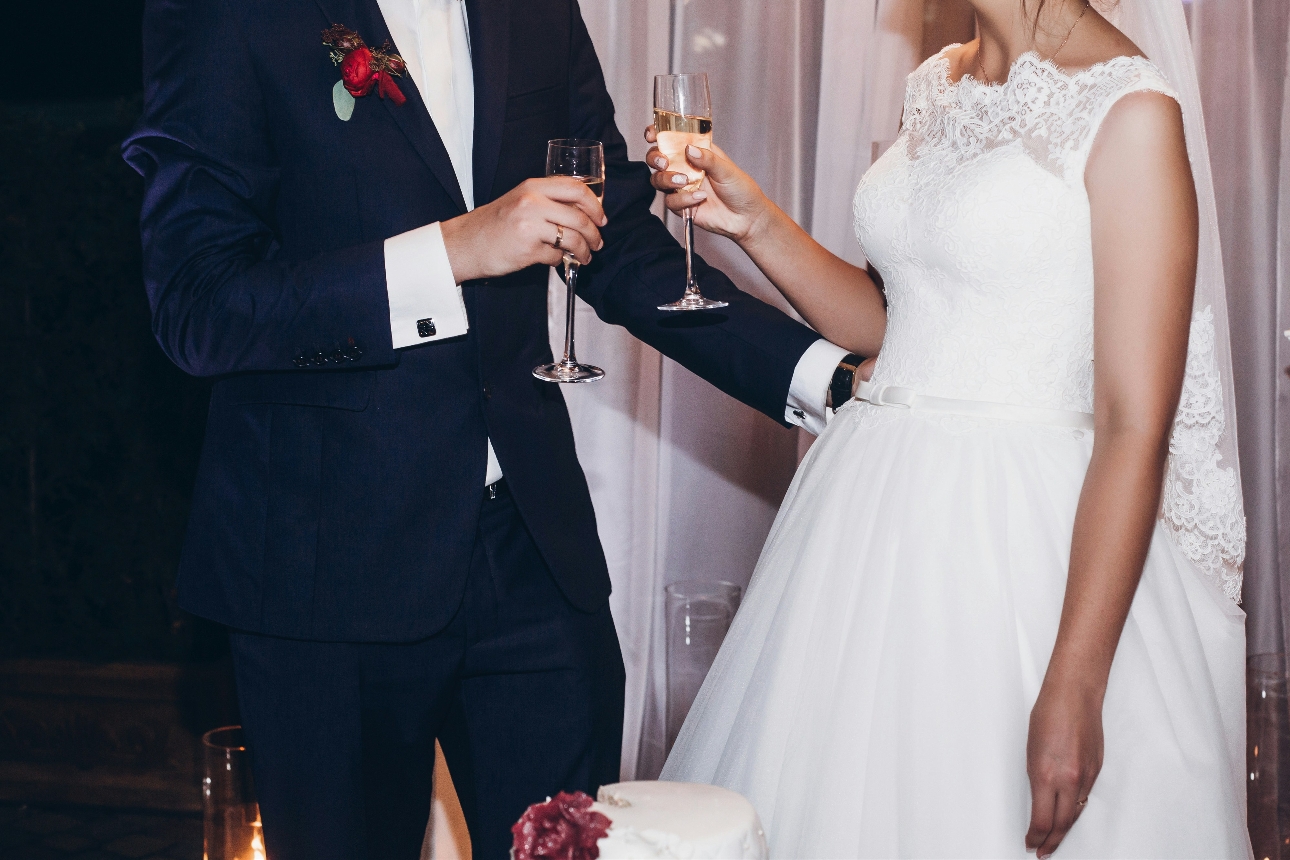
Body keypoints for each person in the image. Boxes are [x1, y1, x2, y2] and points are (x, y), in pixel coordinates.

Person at [122, 0, 862, 857]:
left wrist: (827, 378)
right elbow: (198, 305)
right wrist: (455, 250)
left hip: (533, 552)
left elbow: (611, 233)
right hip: (323, 565)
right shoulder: (230, 14)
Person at [653, 0, 1251, 856]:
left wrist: (1076, 686)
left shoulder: (1132, 110)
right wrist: (752, 222)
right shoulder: (937, 82)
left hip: (1022, 541)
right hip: (867, 519)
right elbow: (900, 328)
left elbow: (1132, 425)